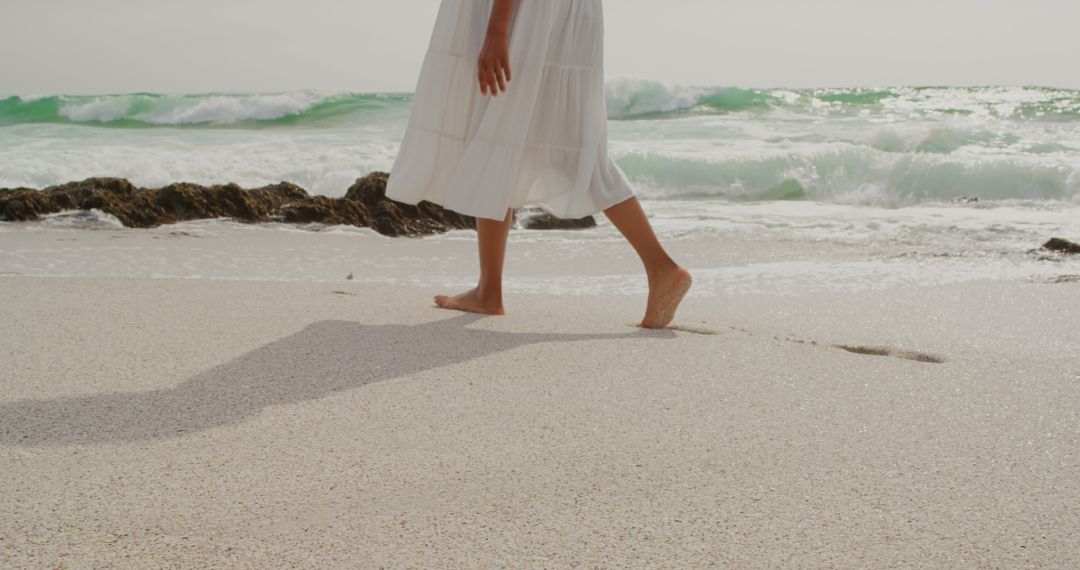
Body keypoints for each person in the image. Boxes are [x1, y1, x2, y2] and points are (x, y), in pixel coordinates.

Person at [385, 0, 691, 329]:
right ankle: (489, 290)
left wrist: (498, 29)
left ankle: (661, 266)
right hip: (552, 13)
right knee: (506, 135)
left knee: (520, 134)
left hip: (527, 14)